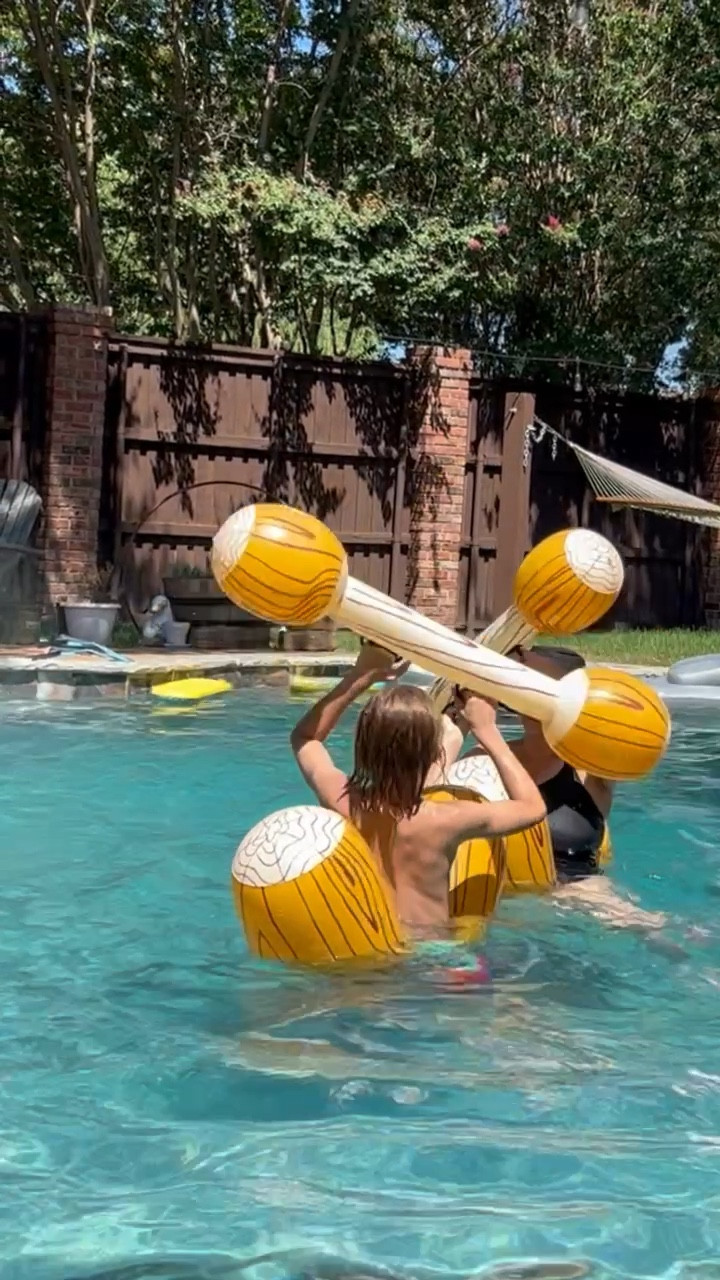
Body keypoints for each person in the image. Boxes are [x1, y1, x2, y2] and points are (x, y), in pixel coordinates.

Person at [290, 643, 546, 979]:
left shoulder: (346, 803)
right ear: (433, 755)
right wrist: (487, 730)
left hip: (370, 953)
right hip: (440, 958)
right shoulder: (449, 818)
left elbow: (305, 738)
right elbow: (533, 808)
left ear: (363, 745)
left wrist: (361, 676)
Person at [493, 644, 666, 931]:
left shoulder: (590, 770)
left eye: (547, 688)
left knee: (652, 929)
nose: (536, 697)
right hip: (507, 910)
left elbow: (626, 725)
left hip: (584, 900)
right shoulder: (486, 758)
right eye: (527, 685)